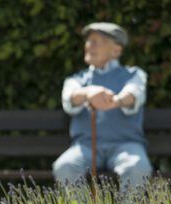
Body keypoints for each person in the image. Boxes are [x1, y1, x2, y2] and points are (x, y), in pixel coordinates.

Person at [52, 22, 152, 194]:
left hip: (126, 145)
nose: (89, 46)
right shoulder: (76, 80)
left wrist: (116, 101)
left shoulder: (135, 75)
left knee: (138, 167)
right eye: (88, 41)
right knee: (64, 166)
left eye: (96, 42)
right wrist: (88, 92)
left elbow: (133, 94)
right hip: (85, 147)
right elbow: (70, 98)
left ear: (116, 50)